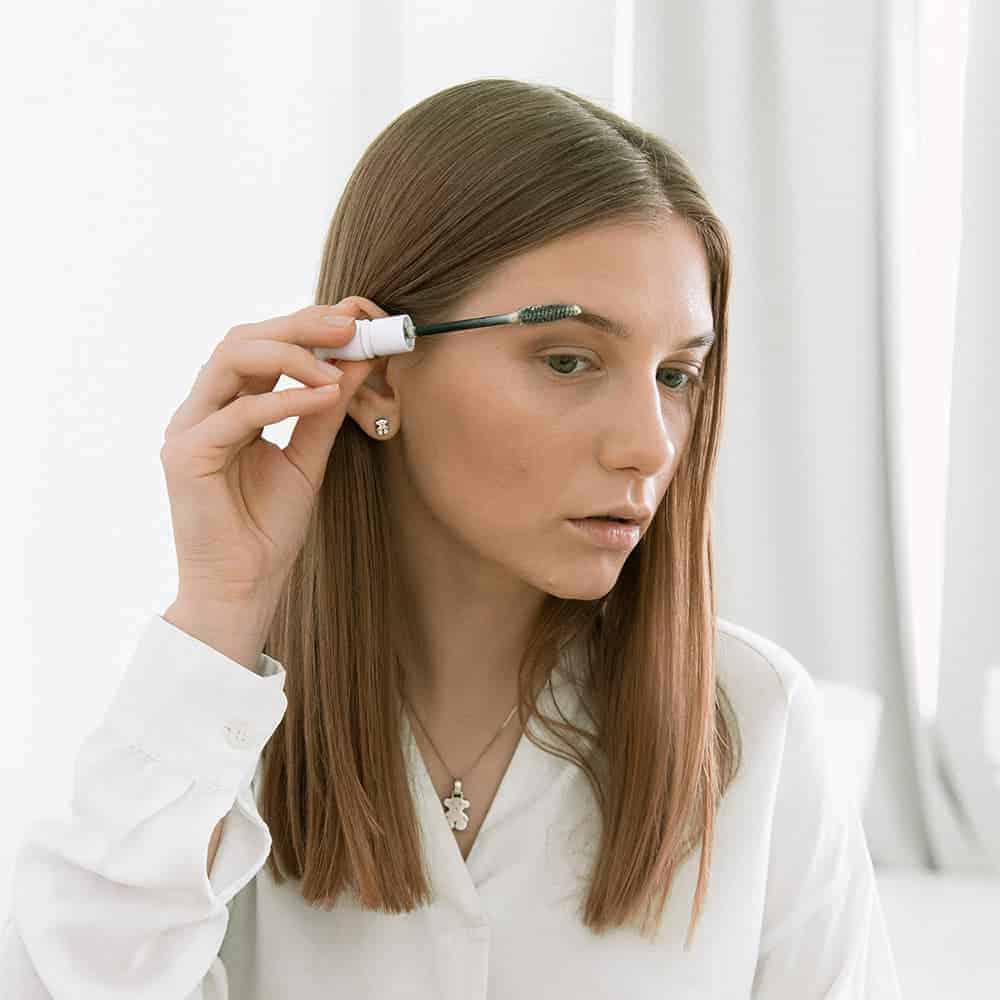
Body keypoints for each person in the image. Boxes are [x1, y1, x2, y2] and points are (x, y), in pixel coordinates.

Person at [0, 77, 902, 997]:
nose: (650, 444)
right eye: (568, 360)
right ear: (380, 376)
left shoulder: (753, 720)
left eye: (677, 375)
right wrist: (223, 603)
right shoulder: (206, 731)